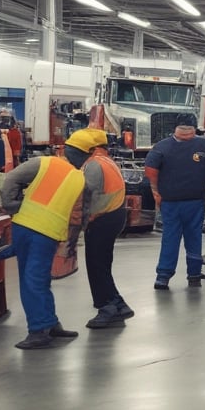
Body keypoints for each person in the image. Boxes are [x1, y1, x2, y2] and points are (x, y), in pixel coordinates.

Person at [0, 135, 88, 349]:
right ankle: (41, 328)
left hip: (30, 228)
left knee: (34, 280)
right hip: (45, 233)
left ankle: (45, 325)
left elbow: (10, 179)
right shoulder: (79, 178)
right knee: (37, 280)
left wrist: (11, 204)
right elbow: (80, 214)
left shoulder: (45, 163)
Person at [144, 122, 205, 290]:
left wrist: (156, 193)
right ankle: (194, 276)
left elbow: (150, 169)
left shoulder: (161, 147)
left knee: (170, 238)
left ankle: (163, 277)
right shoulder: (204, 144)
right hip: (194, 201)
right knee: (194, 238)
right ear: (193, 130)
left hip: (170, 201)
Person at [70, 128, 133, 329]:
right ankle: (118, 304)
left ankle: (107, 308)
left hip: (101, 219)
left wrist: (74, 226)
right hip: (114, 215)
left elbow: (83, 199)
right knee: (102, 265)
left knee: (96, 266)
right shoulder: (106, 161)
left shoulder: (93, 165)